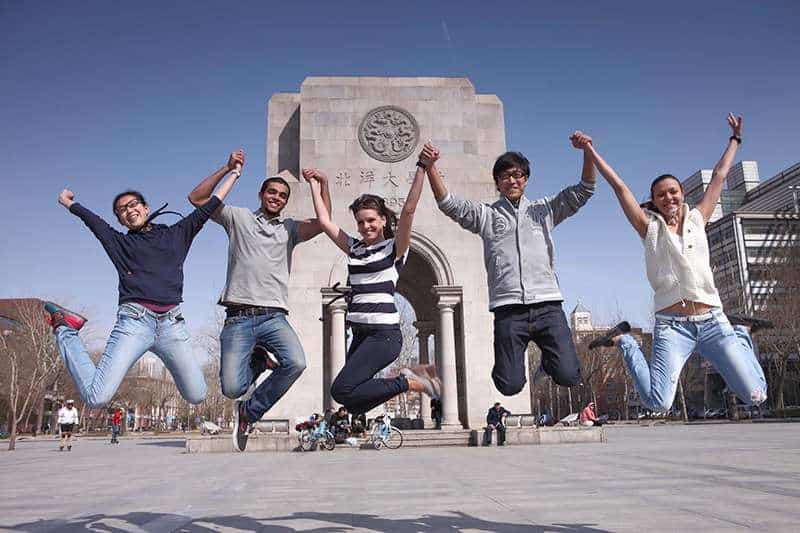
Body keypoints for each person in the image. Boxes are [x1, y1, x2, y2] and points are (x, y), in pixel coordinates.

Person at [586, 114, 770, 412]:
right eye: (661, 195)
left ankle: (741, 332)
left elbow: (720, 176)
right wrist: (591, 152)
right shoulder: (648, 228)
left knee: (756, 397)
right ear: (655, 201)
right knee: (658, 402)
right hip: (672, 327)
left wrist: (735, 139)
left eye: (673, 191)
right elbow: (620, 187)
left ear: (682, 194)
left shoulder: (698, 218)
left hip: (713, 321)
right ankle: (625, 341)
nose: (668, 197)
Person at [424, 136, 596, 398]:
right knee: (509, 385)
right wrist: (430, 167)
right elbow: (448, 203)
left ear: (526, 180)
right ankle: (507, 363)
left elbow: (585, 189)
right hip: (509, 311)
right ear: (497, 183)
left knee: (569, 375)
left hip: (547, 306)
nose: (512, 181)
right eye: (505, 176)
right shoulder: (486, 215)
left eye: (518, 175)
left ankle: (549, 360)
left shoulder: (545, 210)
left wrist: (587, 151)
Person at [44, 171, 233, 408]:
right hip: (134, 323)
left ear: (145, 208)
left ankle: (67, 329)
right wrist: (69, 203)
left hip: (172, 326)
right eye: (121, 210)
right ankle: (66, 329)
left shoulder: (177, 234)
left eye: (133, 204)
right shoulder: (120, 243)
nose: (128, 210)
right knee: (97, 398)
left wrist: (232, 171)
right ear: (120, 221)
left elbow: (210, 206)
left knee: (197, 395)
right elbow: (94, 223)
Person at [188, 149, 330, 452]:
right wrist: (227, 169)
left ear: (286, 201)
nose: (276, 197)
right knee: (232, 388)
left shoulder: (290, 229)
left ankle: (249, 412)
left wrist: (323, 186)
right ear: (261, 193)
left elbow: (324, 222)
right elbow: (197, 199)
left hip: (273, 317)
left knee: (295, 363)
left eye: (282, 195)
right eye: (272, 191)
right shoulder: (237, 218)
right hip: (238, 317)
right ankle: (259, 361)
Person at [303, 146, 442, 419]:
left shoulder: (395, 249)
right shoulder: (354, 249)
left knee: (340, 390)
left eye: (370, 220)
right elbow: (324, 220)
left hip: (384, 335)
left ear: (382, 220)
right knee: (352, 401)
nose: (365, 226)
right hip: (361, 334)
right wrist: (317, 184)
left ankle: (410, 380)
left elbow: (409, 210)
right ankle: (411, 379)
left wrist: (422, 168)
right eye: (360, 222)